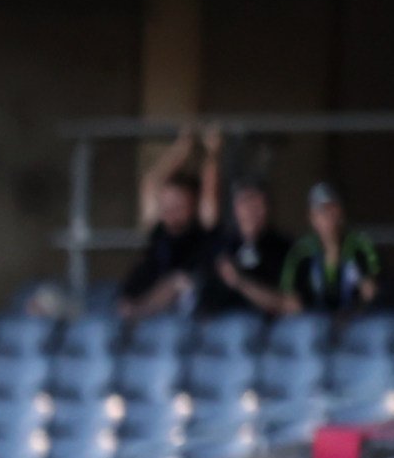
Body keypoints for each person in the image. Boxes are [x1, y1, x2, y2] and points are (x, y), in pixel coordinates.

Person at [114, 126, 215, 322]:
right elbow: (151, 183)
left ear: (193, 206)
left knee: (177, 282)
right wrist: (181, 149)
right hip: (151, 292)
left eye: (179, 205)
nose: (171, 211)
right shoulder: (157, 226)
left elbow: (210, 189)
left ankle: (136, 316)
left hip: (187, 297)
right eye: (167, 205)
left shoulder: (202, 225)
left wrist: (212, 152)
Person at [206, 176, 298, 320]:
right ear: (236, 208)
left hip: (271, 325)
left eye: (257, 204)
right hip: (223, 325)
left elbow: (290, 305)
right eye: (245, 203)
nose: (251, 211)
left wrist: (240, 282)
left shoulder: (283, 247)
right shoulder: (220, 245)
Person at [284, 183, 381, 315]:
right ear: (312, 218)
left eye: (332, 208)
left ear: (341, 212)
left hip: (355, 319)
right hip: (315, 321)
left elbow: (371, 293)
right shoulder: (302, 252)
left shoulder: (359, 245)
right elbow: (290, 301)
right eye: (321, 211)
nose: (328, 216)